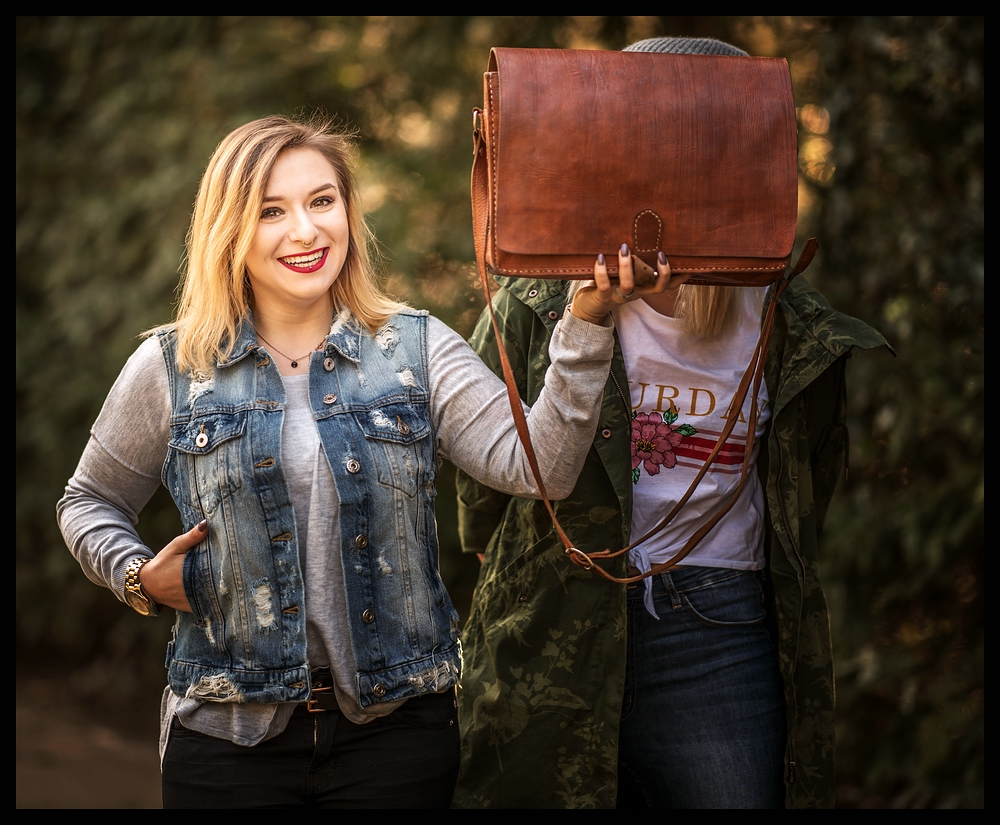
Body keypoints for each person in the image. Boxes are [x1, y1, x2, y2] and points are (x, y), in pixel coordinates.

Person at [56, 113, 677, 808]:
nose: (305, 230)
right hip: (227, 742)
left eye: (322, 201)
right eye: (271, 210)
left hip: (396, 739)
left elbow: (540, 468)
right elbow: (87, 501)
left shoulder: (415, 349)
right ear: (229, 229)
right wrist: (138, 575)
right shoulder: (174, 366)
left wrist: (587, 320)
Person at [452, 37, 892, 809]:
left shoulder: (794, 329)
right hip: (555, 618)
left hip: (718, 627)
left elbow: (805, 495)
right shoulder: (536, 296)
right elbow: (480, 486)